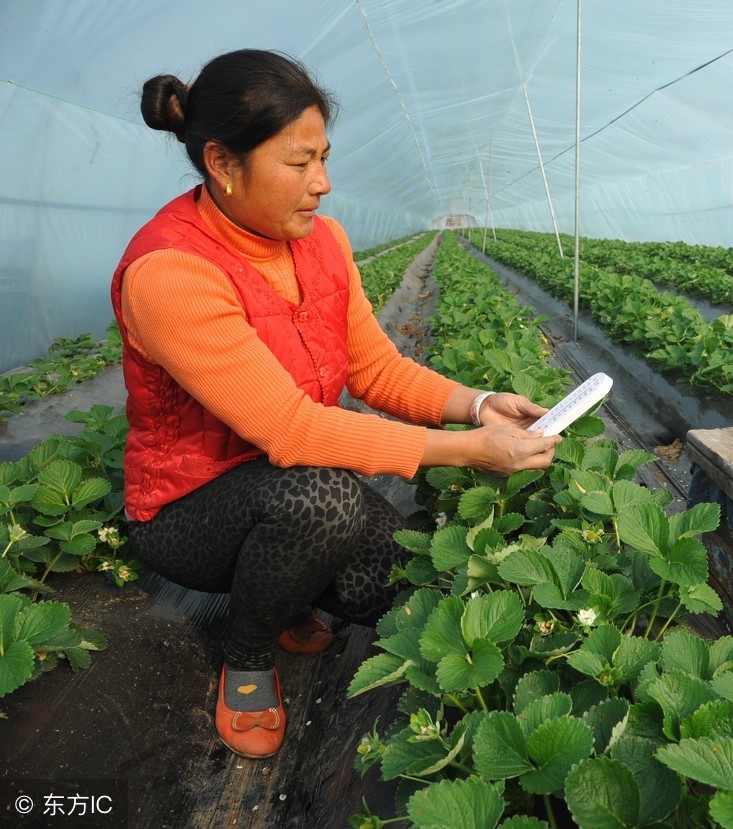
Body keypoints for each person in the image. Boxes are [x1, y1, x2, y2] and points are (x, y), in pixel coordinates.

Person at [112, 48, 561, 760]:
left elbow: (375, 367)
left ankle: (287, 591)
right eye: (298, 163)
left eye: (323, 157)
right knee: (322, 499)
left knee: (403, 585)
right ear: (224, 164)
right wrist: (466, 453)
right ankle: (249, 651)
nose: (322, 183)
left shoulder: (323, 242)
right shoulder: (171, 273)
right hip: (189, 508)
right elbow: (290, 430)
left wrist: (478, 406)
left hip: (290, 478)